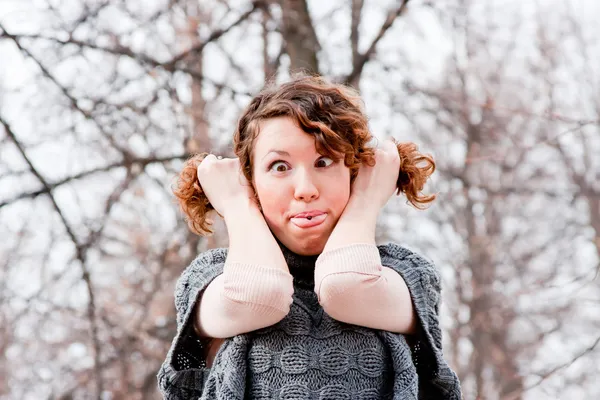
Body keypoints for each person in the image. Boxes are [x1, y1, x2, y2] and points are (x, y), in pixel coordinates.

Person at [157, 75, 462, 399]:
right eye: (279, 166)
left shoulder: (405, 273)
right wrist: (237, 206)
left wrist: (365, 201)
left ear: (355, 171)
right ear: (250, 181)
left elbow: (345, 286)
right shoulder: (213, 277)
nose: (305, 190)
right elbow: (260, 293)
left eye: (324, 161)